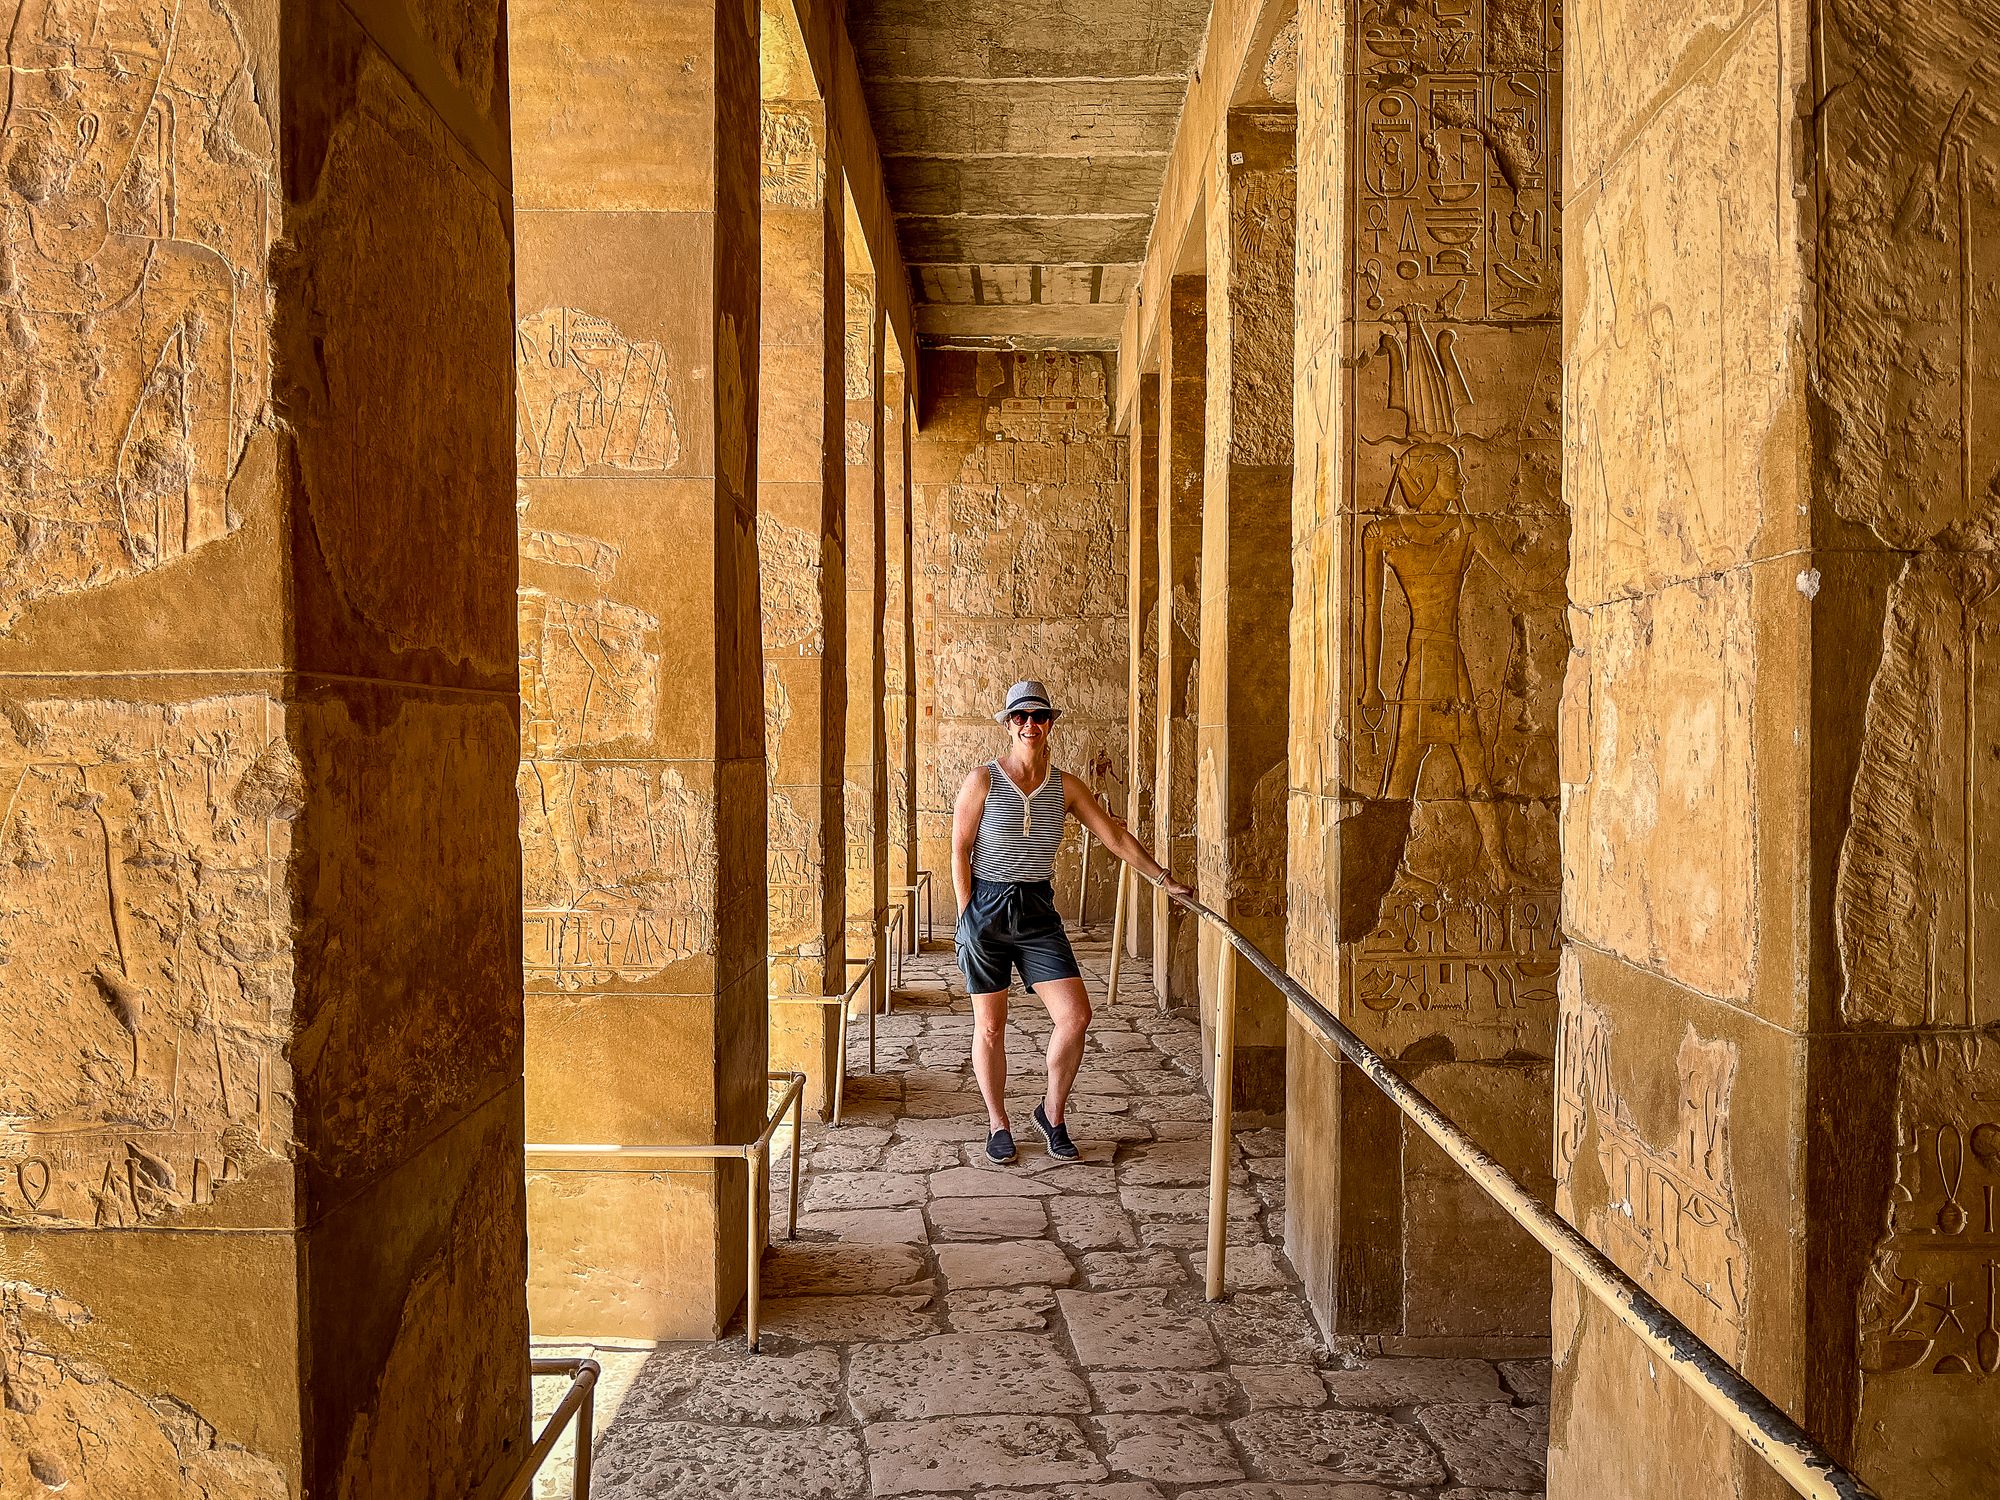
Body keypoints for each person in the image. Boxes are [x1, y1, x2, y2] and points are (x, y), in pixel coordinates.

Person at [951, 679, 1191, 1166]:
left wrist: (1163, 878)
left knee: (1076, 1015)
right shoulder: (983, 779)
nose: (1030, 725)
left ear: (1050, 724)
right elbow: (959, 846)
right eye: (1020, 717)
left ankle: (1052, 1113)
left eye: (1038, 717)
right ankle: (999, 1122)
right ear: (1008, 724)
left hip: (1037, 909)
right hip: (988, 908)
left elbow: (1113, 839)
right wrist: (966, 913)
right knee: (991, 1027)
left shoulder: (1065, 785)